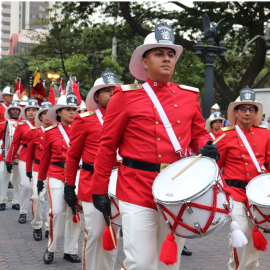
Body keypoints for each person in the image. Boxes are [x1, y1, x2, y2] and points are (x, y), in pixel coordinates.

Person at [90, 23, 219, 270]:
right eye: (159, 54)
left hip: (177, 189)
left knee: (168, 263)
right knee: (141, 262)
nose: (167, 59)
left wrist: (207, 145)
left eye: (171, 54)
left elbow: (199, 135)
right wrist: (99, 189)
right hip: (135, 187)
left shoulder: (188, 95)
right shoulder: (124, 96)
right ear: (145, 62)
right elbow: (107, 147)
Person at [64, 70, 121, 270]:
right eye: (106, 90)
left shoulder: (126, 118)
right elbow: (72, 156)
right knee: (96, 233)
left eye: (114, 89)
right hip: (91, 182)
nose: (112, 93)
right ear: (96, 95)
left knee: (113, 234)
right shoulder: (84, 120)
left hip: (119, 183)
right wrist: (69, 185)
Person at [216, 87, 270, 270]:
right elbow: (216, 167)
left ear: (256, 113)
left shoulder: (265, 134)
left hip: (257, 196)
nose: (247, 113)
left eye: (251, 109)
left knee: (254, 240)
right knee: (241, 233)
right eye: (243, 109)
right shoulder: (224, 134)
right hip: (235, 194)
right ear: (236, 112)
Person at [37, 93, 81, 264]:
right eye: (68, 109)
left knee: (74, 213)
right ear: (59, 112)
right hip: (56, 174)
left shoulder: (81, 128)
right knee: (57, 212)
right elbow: (45, 157)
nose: (72, 113)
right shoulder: (50, 132)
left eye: (74, 109)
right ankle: (51, 247)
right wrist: (40, 179)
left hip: (76, 175)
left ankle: (70, 251)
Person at [5, 98, 39, 224]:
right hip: (25, 157)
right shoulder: (21, 126)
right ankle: (23, 212)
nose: (31, 112)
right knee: (25, 185)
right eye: (29, 110)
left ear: (38, 111)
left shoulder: (42, 125)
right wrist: (8, 159)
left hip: (39, 158)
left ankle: (37, 215)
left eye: (34, 110)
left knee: (37, 189)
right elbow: (14, 144)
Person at [26, 101, 52, 241]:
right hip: (37, 168)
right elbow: (29, 152)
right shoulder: (34, 132)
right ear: (40, 117)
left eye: (50, 113)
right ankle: (37, 225)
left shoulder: (58, 131)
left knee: (51, 199)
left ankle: (49, 226)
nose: (47, 116)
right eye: (44, 114)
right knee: (37, 197)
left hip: (53, 169)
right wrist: (28, 171)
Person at [0, 100, 22, 211]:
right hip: (4, 155)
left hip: (19, 157)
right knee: (3, 178)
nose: (15, 111)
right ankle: (1, 200)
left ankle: (16, 201)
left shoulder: (23, 125)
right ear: (9, 111)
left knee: (18, 180)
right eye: (13, 109)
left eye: (17, 109)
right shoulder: (3, 124)